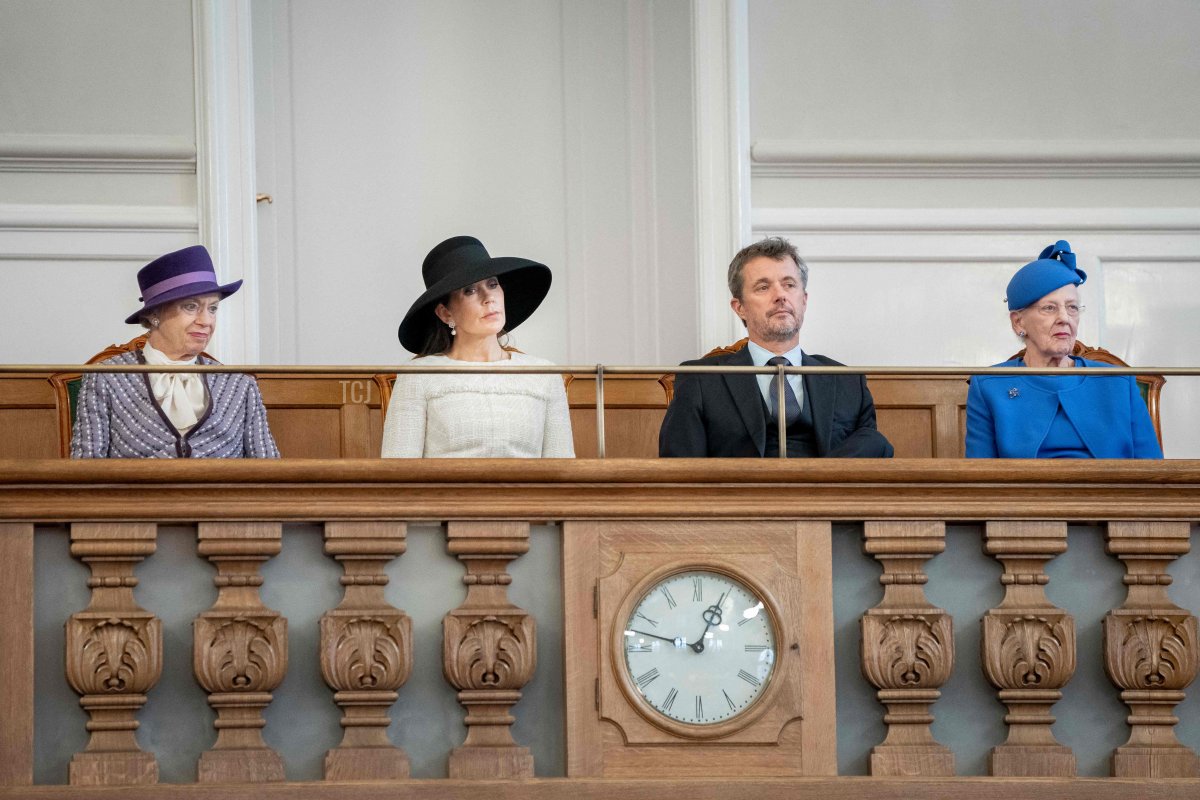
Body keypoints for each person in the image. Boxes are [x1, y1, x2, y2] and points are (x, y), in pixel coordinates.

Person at [659, 237, 892, 458]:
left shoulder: (846, 380)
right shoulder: (700, 378)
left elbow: (868, 468)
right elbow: (679, 470)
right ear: (739, 307)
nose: (780, 295)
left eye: (789, 284)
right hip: (740, 497)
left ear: (804, 300)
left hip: (826, 498)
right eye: (763, 287)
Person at [71, 245, 279, 458]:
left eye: (213, 308)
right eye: (190, 306)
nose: (206, 321)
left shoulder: (240, 386)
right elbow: (83, 473)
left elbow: (272, 474)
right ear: (154, 314)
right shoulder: (107, 379)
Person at [965, 240, 1162, 459]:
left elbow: (1153, 473)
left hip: (1109, 493)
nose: (1064, 318)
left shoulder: (1118, 381)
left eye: (1072, 307)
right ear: (1018, 322)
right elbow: (981, 479)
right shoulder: (989, 385)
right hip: (1026, 494)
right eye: (1049, 308)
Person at [381, 235, 574, 458]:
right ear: (445, 313)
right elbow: (398, 473)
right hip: (447, 493)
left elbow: (562, 472)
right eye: (469, 290)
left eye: (492, 284)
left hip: (524, 493)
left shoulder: (544, 374)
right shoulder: (418, 376)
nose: (488, 298)